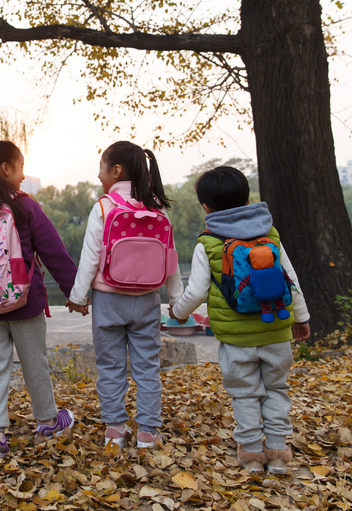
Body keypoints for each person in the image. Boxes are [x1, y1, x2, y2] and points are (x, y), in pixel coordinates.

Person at [168, 166, 311, 476]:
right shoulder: (269, 235)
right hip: (276, 329)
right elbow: (292, 279)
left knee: (245, 392)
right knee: (276, 388)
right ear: (247, 198)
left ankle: (251, 453)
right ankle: (276, 452)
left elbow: (195, 291)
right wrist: (302, 318)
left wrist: (178, 312)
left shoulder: (208, 243)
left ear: (206, 206)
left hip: (235, 338)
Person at [0, 140, 78, 459]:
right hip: (25, 301)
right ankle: (48, 421)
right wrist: (75, 292)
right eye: (20, 167)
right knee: (35, 361)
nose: (23, 176)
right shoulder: (23, 205)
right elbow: (53, 251)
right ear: (5, 169)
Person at [66, 141, 184, 449]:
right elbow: (169, 258)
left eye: (101, 168)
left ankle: (115, 430)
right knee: (148, 366)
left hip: (108, 300)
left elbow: (90, 257)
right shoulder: (157, 208)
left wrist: (78, 297)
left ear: (116, 171)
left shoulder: (104, 207)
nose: (99, 175)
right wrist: (177, 300)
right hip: (147, 300)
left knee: (110, 367)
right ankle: (147, 431)